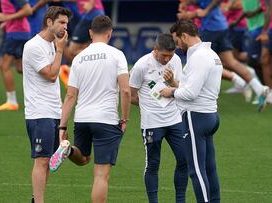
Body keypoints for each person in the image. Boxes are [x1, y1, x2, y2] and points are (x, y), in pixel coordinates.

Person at [51, 15, 131, 203]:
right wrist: (125, 119)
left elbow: (70, 96)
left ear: (89, 33)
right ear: (110, 33)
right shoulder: (117, 55)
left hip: (83, 118)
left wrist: (62, 127)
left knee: (83, 158)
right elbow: (126, 91)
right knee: (101, 175)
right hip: (106, 119)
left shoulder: (78, 58)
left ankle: (68, 150)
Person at [160, 19, 222, 203]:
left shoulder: (198, 57)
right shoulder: (210, 54)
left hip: (196, 118)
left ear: (184, 36)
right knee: (210, 169)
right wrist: (175, 84)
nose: (177, 46)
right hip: (210, 115)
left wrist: (169, 91)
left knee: (196, 171)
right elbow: (198, 88)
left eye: (177, 41)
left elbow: (191, 93)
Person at [129, 33, 188, 203]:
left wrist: (173, 83)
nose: (167, 59)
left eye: (170, 55)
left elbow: (181, 89)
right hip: (152, 123)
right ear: (155, 50)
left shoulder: (176, 60)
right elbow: (131, 95)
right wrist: (148, 104)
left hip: (175, 119)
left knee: (184, 159)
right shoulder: (142, 65)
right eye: (164, 55)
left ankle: (180, 200)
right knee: (153, 164)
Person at [22, 6, 72, 203]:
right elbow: (52, 75)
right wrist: (60, 50)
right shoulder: (34, 46)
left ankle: (37, 199)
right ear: (49, 22)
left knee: (49, 160)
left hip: (53, 111)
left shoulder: (52, 44)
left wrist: (61, 116)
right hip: (38, 112)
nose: (64, 28)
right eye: (61, 22)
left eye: (66, 23)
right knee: (41, 160)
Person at [0, 0, 33, 111]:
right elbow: (17, 10)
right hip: (18, 32)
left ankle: (11, 102)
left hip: (17, 33)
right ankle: (47, 90)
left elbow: (28, 10)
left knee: (4, 65)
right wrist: (7, 22)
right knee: (22, 69)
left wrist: (7, 18)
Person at [63, 0, 105, 64]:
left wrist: (91, 3)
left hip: (92, 15)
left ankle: (100, 58)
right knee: (85, 47)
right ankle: (97, 62)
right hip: (93, 15)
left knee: (72, 50)